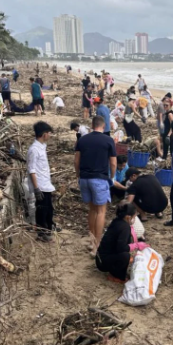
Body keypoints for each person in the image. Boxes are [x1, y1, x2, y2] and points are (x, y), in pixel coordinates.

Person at [74, 116, 117, 256]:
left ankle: (92, 241)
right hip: (99, 179)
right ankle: (96, 246)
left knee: (92, 210)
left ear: (92, 126)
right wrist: (111, 177)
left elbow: (76, 160)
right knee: (101, 211)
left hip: (85, 178)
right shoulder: (108, 140)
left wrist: (78, 175)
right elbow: (113, 163)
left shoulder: (82, 139)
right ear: (103, 127)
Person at [96, 203, 146, 283]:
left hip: (100, 257)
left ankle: (116, 264)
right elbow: (121, 248)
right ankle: (115, 276)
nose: (134, 219)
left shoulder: (117, 221)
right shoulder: (125, 228)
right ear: (128, 217)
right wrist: (136, 245)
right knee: (125, 256)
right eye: (134, 217)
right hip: (103, 263)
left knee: (125, 252)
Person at [27, 121, 56, 242]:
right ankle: (42, 233)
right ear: (44, 134)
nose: (49, 135)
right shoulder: (34, 150)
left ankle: (48, 229)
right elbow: (31, 169)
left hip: (46, 184)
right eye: (49, 133)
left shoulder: (42, 147)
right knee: (42, 210)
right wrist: (36, 188)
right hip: (41, 185)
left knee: (49, 209)